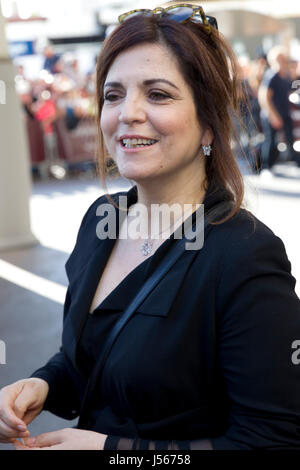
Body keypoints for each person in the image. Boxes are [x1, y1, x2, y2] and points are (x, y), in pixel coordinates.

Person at [1, 5, 300, 451]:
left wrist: (114, 453)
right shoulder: (100, 221)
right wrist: (44, 385)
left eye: (158, 95)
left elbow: (272, 441)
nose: (127, 114)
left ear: (208, 125)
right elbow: (91, 352)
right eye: (113, 94)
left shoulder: (244, 254)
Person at [258, 46, 300, 178]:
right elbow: (264, 96)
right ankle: (266, 167)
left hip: (285, 113)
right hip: (271, 115)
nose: (282, 61)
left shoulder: (286, 75)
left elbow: (290, 90)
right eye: (280, 59)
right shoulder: (271, 75)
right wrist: (273, 115)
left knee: (290, 139)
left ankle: (298, 164)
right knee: (270, 141)